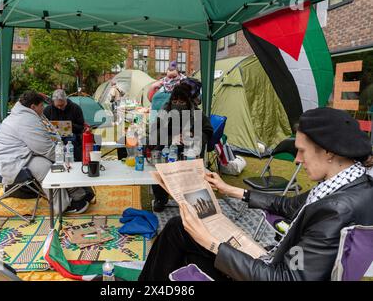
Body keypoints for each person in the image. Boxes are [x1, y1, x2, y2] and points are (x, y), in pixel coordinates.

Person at [139, 107, 373, 281]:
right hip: (278, 261)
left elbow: (285, 279)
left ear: (329, 152)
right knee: (179, 230)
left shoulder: (335, 210)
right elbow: (289, 205)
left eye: (301, 151)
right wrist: (230, 189)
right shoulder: (348, 185)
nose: (297, 160)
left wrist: (210, 242)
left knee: (182, 236)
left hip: (272, 272)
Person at [0, 90, 94, 215]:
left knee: (55, 160)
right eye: (41, 105)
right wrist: (63, 157)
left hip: (19, 152)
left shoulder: (26, 115)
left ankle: (78, 193)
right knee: (46, 166)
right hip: (8, 157)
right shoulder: (26, 120)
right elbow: (45, 148)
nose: (44, 108)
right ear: (33, 107)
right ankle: (64, 205)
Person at [149, 83, 213, 212]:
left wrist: (194, 135)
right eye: (175, 101)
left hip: (189, 151)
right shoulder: (165, 110)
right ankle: (161, 198)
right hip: (166, 149)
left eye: (181, 101)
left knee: (192, 171)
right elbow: (154, 132)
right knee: (158, 165)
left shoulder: (196, 113)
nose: (177, 104)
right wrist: (171, 139)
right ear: (171, 100)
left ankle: (194, 200)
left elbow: (208, 131)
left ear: (188, 102)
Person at [43, 89, 85, 162]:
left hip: (71, 136)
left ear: (66, 100)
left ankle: (73, 160)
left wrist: (70, 126)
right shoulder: (48, 110)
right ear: (53, 102)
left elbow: (81, 127)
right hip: (53, 136)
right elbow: (43, 124)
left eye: (62, 105)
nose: (59, 107)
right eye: (57, 106)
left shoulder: (75, 108)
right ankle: (52, 161)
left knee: (71, 141)